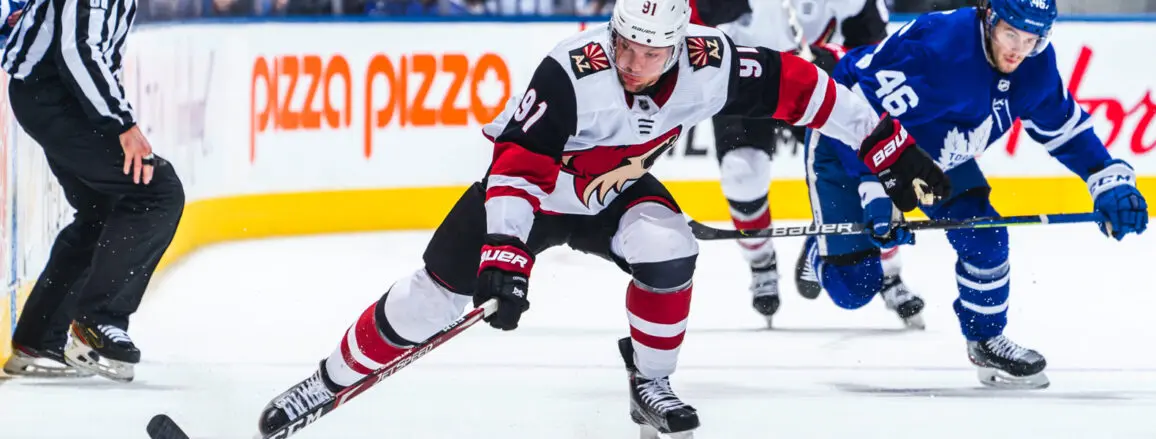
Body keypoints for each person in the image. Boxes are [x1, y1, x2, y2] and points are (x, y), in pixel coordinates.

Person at [254, 0, 950, 436]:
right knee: (427, 299)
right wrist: (505, 258)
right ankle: (326, 379)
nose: (631, 61)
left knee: (671, 248)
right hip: (528, 193)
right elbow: (518, 166)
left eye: (649, 52)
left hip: (610, 191)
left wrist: (891, 149)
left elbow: (811, 93)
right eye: (624, 44)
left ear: (680, 44)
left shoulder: (715, 62)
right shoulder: (570, 70)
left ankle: (650, 380)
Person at [795, 0, 1148, 389]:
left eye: (1031, 39)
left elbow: (1065, 129)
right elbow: (859, 111)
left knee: (986, 236)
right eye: (1010, 33)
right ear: (988, 17)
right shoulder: (939, 47)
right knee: (854, 289)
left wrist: (1107, 179)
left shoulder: (1035, 64)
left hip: (934, 150)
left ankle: (985, 340)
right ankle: (822, 244)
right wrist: (876, 194)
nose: (1018, 49)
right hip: (845, 141)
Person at [691, 0, 920, 327]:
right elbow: (693, 18)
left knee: (859, 161)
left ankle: (886, 268)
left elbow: (871, 47)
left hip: (813, 76)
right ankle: (761, 262)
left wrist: (839, 63)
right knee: (742, 172)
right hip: (745, 76)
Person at [0, 0, 185, 382]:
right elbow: (78, 49)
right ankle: (97, 323)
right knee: (157, 190)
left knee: (105, 208)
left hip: (52, 96)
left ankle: (39, 339)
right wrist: (121, 123)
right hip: (53, 98)